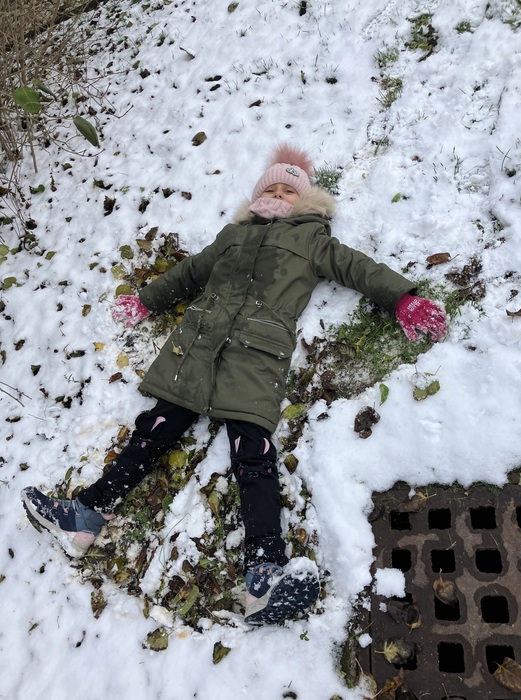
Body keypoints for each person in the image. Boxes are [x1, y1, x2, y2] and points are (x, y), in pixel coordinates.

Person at [21, 144, 447, 625]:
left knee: (254, 456)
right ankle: (85, 515)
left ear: (305, 201)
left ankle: (264, 576)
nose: (280, 195)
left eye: (289, 191)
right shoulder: (232, 236)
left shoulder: (313, 240)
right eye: (273, 188)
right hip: (198, 347)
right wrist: (147, 301)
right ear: (258, 195)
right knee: (152, 432)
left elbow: (358, 268)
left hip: (256, 356)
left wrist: (401, 298)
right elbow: (190, 273)